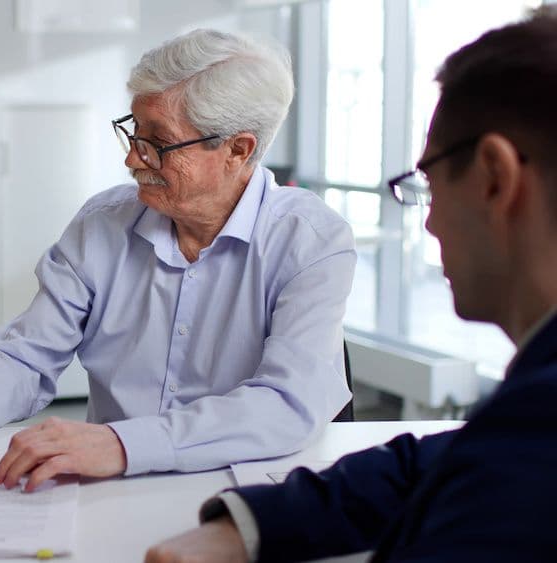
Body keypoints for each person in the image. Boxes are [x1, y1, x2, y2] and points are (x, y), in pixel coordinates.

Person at [0, 29, 357, 491]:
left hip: (248, 491)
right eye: (133, 131)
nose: (132, 159)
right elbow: (25, 357)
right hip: (115, 488)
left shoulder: (310, 241)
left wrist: (122, 443)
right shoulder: (103, 224)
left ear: (237, 149)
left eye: (157, 143)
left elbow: (286, 403)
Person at [145, 10, 557, 563]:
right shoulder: (530, 415)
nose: (429, 223)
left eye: (428, 187)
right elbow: (439, 460)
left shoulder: (528, 460)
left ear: (494, 179)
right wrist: (245, 528)